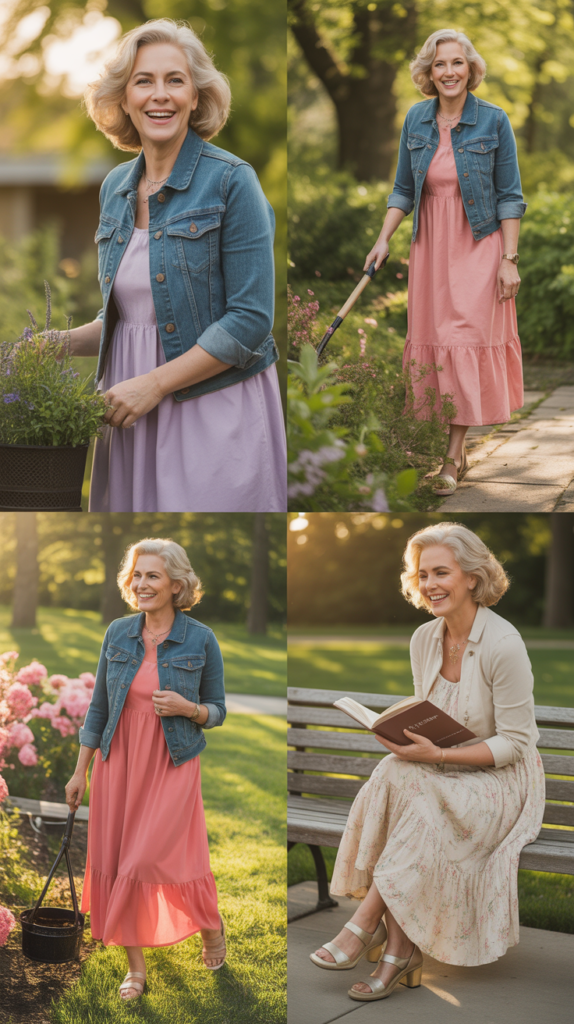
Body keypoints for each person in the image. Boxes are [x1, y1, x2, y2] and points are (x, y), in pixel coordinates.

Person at [310, 521, 545, 1002]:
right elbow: (434, 714)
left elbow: (516, 745)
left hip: (501, 782)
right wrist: (407, 739)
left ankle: (364, 924)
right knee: (399, 775)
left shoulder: (504, 644)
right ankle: (399, 952)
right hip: (441, 773)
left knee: (414, 796)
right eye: (423, 575)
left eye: (442, 572)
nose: (430, 584)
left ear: (473, 578)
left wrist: (436, 753)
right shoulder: (424, 639)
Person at [60, 18, 286, 512]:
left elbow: (250, 320)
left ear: (197, 96)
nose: (159, 95)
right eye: (144, 81)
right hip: (127, 413)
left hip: (209, 409)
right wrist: (57, 344)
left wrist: (154, 384)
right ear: (123, 98)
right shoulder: (115, 187)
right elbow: (131, 320)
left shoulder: (232, 182)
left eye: (174, 80)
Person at [65, 538, 227, 1001]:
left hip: (170, 761)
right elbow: (98, 709)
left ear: (177, 584)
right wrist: (81, 771)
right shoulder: (118, 632)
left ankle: (209, 925)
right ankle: (135, 968)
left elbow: (217, 710)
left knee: (150, 857)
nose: (141, 584)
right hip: (118, 762)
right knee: (118, 861)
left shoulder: (200, 638)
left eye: (152, 576)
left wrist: (187, 708)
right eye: (137, 575)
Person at [365, 30, 525, 495]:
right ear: (428, 73)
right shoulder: (416, 119)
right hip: (431, 247)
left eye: (457, 63)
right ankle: (457, 447)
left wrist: (509, 260)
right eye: (440, 64)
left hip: (479, 244)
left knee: (465, 337)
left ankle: (451, 459)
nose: (449, 72)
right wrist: (383, 239)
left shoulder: (494, 121)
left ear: (471, 69)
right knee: (437, 341)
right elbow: (402, 189)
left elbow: (511, 197)